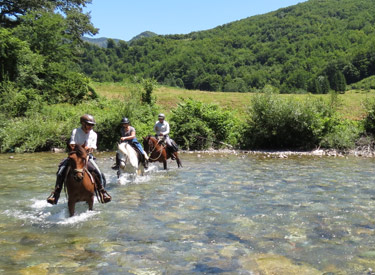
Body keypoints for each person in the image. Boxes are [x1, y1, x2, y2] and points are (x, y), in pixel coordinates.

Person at [47, 114, 111, 204]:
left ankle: (102, 192)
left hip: (87, 156)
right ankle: (56, 194)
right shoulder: (76, 131)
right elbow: (72, 144)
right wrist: (82, 149)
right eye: (89, 124)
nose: (90, 127)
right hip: (75, 155)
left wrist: (88, 149)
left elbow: (93, 147)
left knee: (98, 172)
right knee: (61, 170)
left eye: (92, 125)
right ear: (83, 123)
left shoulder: (94, 134)